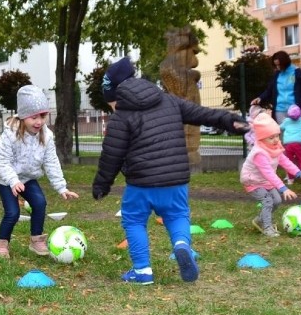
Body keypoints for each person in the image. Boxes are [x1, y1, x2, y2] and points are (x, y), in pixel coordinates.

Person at [92, 57, 247, 285]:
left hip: (141, 184)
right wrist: (229, 120)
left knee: (134, 221)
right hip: (175, 180)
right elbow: (201, 114)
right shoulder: (168, 100)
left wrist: (101, 185)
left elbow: (111, 155)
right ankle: (182, 245)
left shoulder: (121, 116)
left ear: (115, 95)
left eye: (111, 103)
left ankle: (142, 271)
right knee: (177, 216)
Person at [0, 85, 79, 259]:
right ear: (23, 116)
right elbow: (2, 161)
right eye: (34, 117)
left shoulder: (46, 136)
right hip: (6, 179)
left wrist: (62, 187)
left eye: (43, 116)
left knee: (39, 203)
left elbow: (51, 162)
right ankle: (2, 244)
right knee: (13, 213)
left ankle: (36, 240)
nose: (39, 121)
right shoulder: (9, 135)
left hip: (28, 178)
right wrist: (13, 181)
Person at [241, 114, 301, 237]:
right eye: (271, 137)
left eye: (277, 135)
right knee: (268, 201)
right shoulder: (259, 153)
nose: (276, 140)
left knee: (276, 201)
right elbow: (269, 173)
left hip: (265, 180)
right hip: (253, 181)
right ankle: (267, 228)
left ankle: (259, 220)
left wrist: (298, 173)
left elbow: (285, 161)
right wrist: (284, 188)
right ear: (261, 139)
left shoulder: (275, 147)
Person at [250, 50, 301, 124]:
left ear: (285, 63)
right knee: (282, 133)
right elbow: (269, 90)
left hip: (295, 110)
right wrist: (260, 98)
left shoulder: (299, 73)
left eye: (279, 65)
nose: (278, 67)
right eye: (276, 65)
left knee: (295, 133)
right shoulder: (276, 75)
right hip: (279, 110)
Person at [280, 104, 301, 181]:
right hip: (299, 143)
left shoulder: (286, 121)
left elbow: (281, 128)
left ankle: (290, 179)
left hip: (288, 144)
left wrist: (283, 121)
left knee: (289, 162)